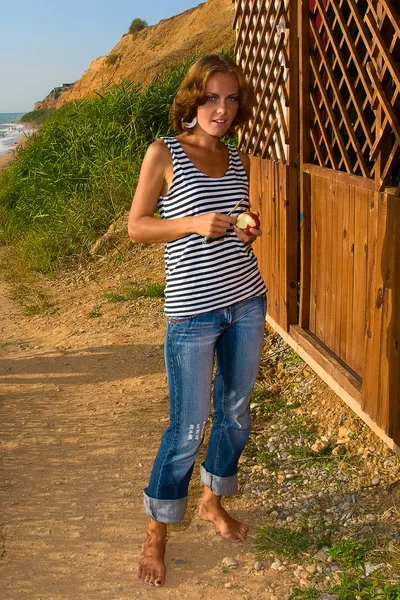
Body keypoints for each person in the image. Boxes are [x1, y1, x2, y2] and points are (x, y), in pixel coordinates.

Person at [128, 53, 267, 587]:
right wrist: (192, 223)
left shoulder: (235, 157)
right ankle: (156, 532)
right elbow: (138, 226)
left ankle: (212, 502)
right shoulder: (165, 153)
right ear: (193, 98)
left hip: (246, 300)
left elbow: (233, 218)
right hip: (193, 312)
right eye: (212, 97)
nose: (222, 109)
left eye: (232, 99)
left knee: (235, 414)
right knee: (187, 429)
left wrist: (244, 227)